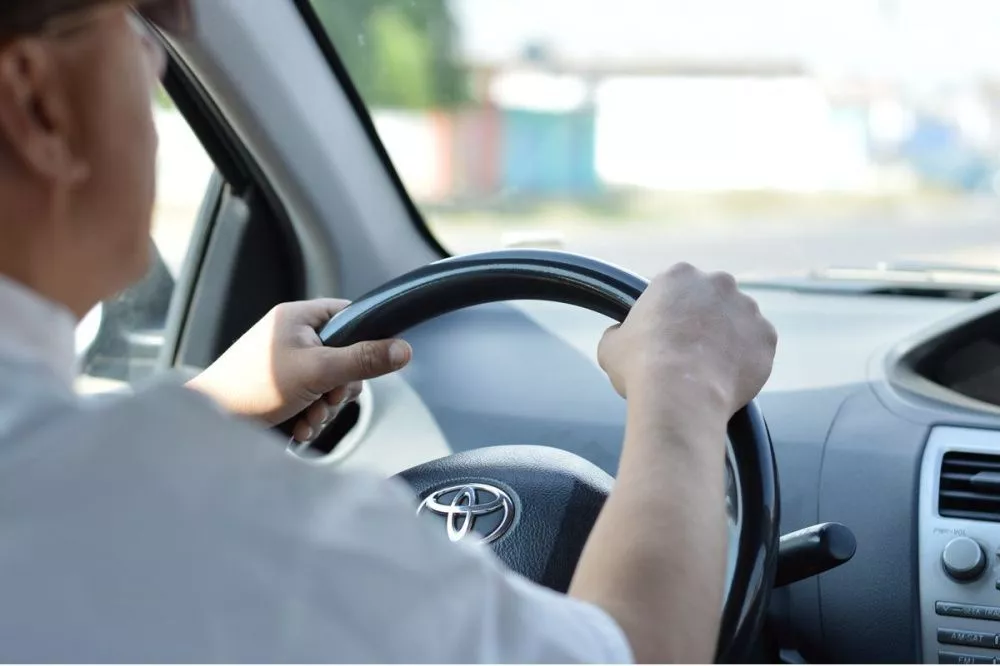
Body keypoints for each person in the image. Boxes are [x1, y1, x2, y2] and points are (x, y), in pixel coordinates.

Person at [0, 0, 778, 663]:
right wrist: (685, 385)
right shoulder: (208, 511)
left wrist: (207, 412)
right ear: (36, 102)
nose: (157, 68)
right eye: (139, 28)